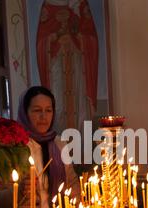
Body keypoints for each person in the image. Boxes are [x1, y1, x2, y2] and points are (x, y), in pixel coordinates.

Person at [36, 0, 98, 134]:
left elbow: (91, 39)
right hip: (57, 63)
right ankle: (60, 150)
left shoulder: (80, 4)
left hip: (77, 62)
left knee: (80, 104)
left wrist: (76, 36)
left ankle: (83, 150)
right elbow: (41, 43)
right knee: (57, 103)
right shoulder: (48, 5)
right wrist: (55, 37)